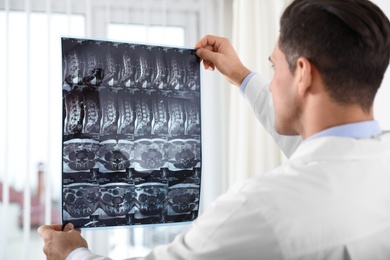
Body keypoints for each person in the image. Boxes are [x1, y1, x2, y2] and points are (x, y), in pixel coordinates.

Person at [38, 0, 390, 259]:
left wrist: (73, 254)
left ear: (304, 73)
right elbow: (315, 148)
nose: (271, 84)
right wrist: (242, 75)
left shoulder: (262, 207)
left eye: (274, 67)